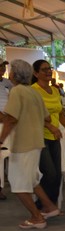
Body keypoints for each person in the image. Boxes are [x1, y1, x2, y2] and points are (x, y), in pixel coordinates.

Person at [0, 59, 57, 229]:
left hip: (23, 143)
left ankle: (37, 217)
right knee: (32, 179)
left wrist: (1, 139)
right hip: (36, 142)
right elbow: (46, 117)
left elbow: (10, 119)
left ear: (14, 74)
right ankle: (50, 207)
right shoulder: (33, 92)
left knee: (17, 184)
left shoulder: (17, 91)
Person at [32, 59, 65, 210]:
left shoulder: (55, 90)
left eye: (49, 68)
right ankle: (41, 205)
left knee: (57, 175)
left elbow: (60, 112)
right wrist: (49, 125)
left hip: (55, 137)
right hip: (40, 136)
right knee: (49, 173)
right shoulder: (34, 90)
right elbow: (33, 114)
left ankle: (52, 205)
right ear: (36, 73)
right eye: (44, 69)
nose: (48, 71)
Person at [0, 57, 13, 200]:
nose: (2, 70)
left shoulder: (6, 83)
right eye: (0, 67)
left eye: (3, 67)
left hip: (7, 123)